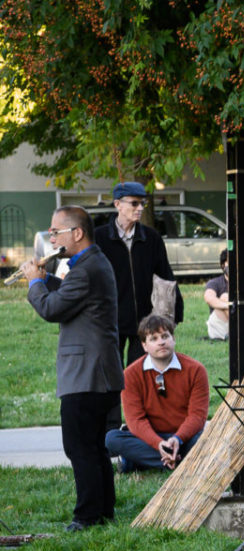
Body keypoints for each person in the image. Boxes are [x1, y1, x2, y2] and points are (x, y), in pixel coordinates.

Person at [24, 206, 125, 531]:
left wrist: (34, 284)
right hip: (98, 372)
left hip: (87, 375)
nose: (51, 237)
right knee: (95, 447)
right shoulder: (91, 264)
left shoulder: (86, 268)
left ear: (76, 233)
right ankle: (103, 511)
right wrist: (47, 279)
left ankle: (86, 517)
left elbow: (52, 308)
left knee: (80, 447)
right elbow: (70, 294)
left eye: (56, 232)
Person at [104, 314, 207, 472]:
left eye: (165, 336)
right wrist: (158, 443)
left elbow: (197, 417)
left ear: (173, 339)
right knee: (112, 439)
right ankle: (178, 463)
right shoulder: (131, 374)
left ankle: (139, 461)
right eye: (154, 338)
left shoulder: (195, 370)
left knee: (205, 439)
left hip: (183, 438)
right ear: (144, 345)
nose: (161, 342)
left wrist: (177, 439)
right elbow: (135, 420)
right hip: (149, 439)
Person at [91, 181, 178, 362]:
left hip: (144, 319)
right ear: (117, 205)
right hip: (110, 319)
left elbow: (165, 275)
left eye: (142, 203)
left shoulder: (151, 237)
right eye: (134, 203)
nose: (140, 208)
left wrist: (175, 312)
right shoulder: (98, 237)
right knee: (111, 372)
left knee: (139, 371)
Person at [203, 249, 230, 340]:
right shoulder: (215, 282)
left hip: (241, 319)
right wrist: (230, 305)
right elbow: (209, 298)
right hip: (219, 326)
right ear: (223, 265)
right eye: (229, 262)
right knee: (225, 297)